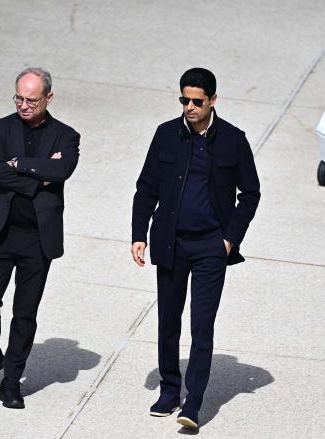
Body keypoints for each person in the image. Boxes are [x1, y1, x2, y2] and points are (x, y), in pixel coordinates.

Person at [131, 67, 260, 429]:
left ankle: (194, 403)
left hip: (210, 247)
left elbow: (250, 193)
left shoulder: (233, 140)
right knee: (168, 321)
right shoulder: (166, 135)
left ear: (213, 100)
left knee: (201, 326)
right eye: (184, 100)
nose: (189, 107)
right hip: (170, 242)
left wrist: (230, 238)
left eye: (197, 101)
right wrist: (138, 234)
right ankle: (170, 391)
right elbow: (146, 188)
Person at [0, 67, 80, 409]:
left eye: (31, 99)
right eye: (19, 97)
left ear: (48, 97)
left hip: (37, 239)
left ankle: (12, 380)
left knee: (24, 313)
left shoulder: (66, 136)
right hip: (0, 233)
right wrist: (36, 175)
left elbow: (61, 170)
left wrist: (17, 164)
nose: (24, 105)